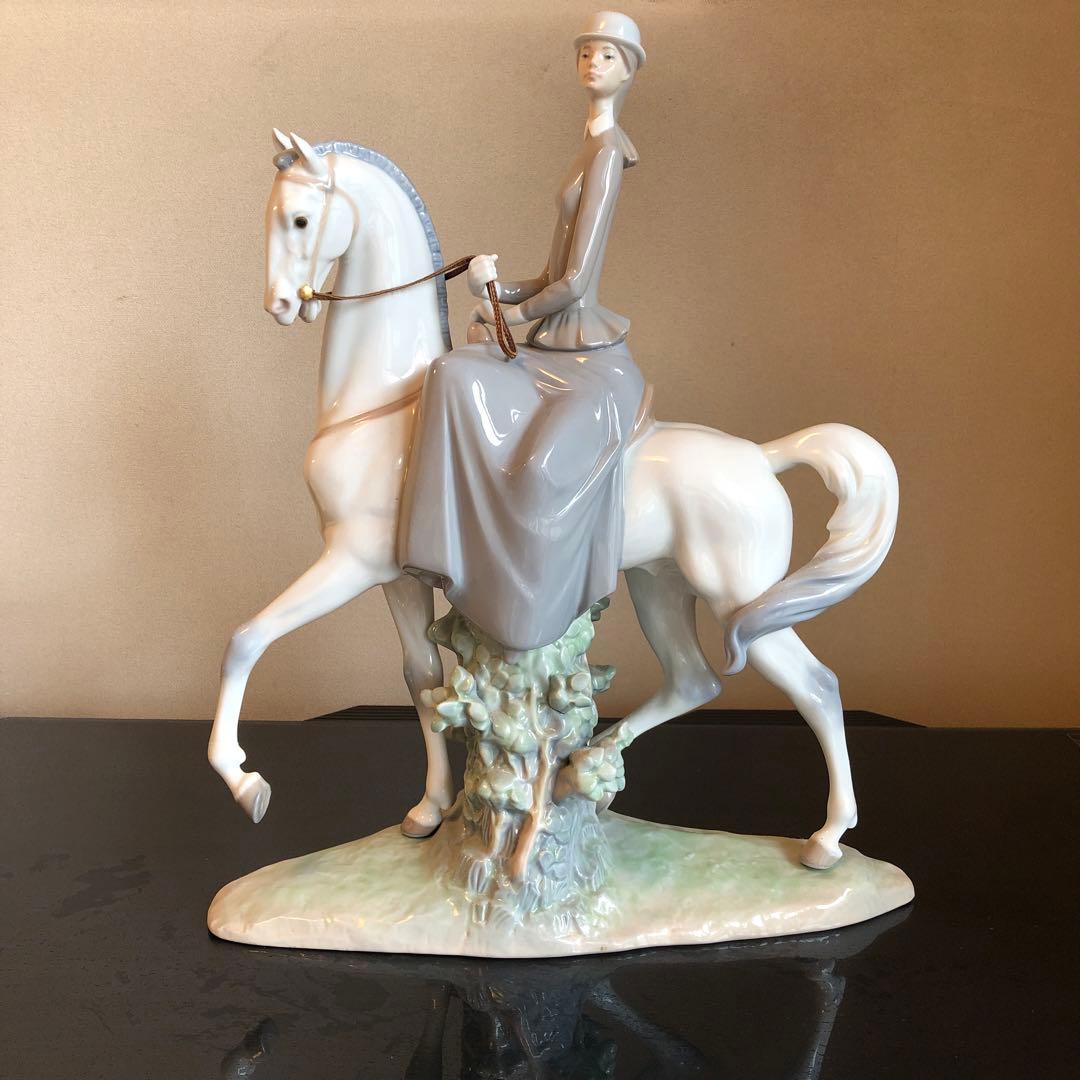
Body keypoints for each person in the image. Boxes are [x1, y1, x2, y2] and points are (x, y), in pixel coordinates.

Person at [398, 12, 648, 651]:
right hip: (550, 346)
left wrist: (508, 316)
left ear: (628, 70)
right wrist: (496, 288)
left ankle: (528, 619)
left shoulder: (609, 154)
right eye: (586, 53)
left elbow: (575, 283)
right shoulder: (587, 143)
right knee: (451, 372)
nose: (593, 63)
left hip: (589, 360)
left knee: (537, 473)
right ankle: (443, 555)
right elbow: (548, 276)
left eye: (608, 56)